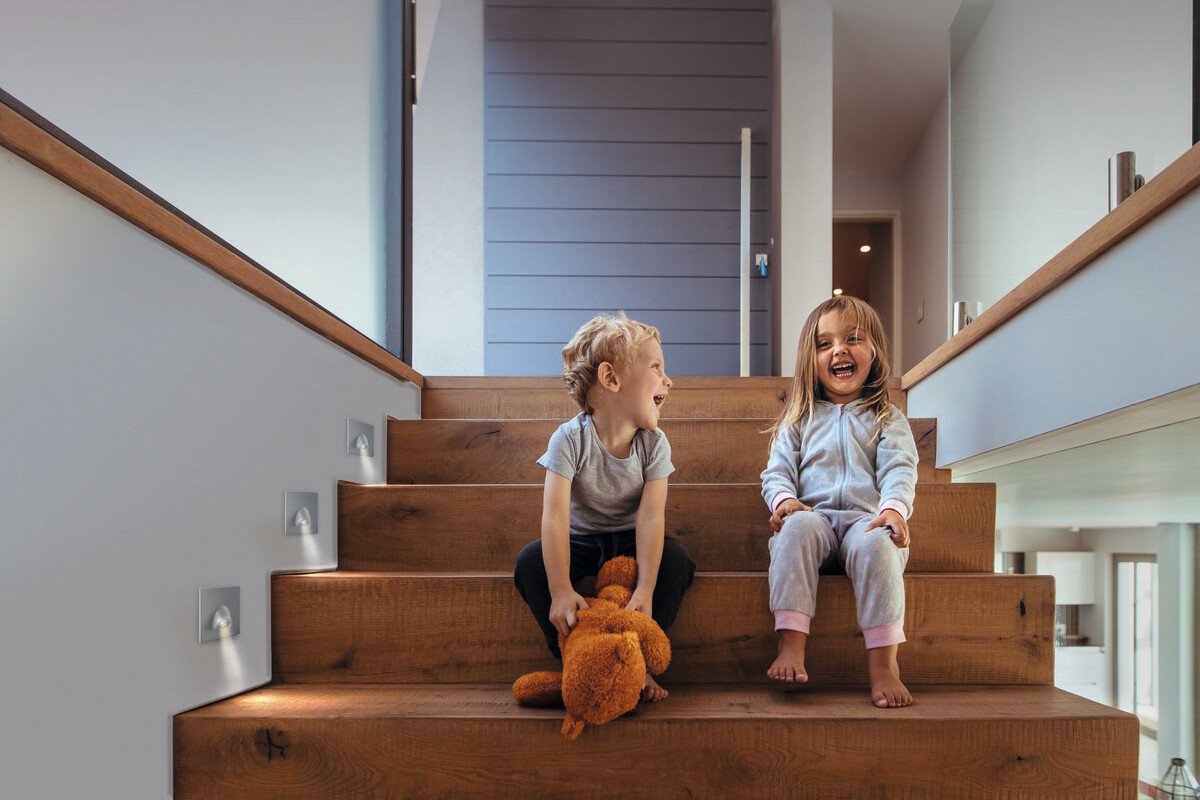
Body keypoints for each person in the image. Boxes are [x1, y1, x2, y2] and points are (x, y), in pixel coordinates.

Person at [513, 313, 696, 702]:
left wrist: (645, 588)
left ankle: (636, 666)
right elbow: (555, 516)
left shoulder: (654, 443)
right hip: (582, 540)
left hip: (631, 541)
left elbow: (650, 516)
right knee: (529, 562)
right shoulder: (569, 440)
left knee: (677, 559)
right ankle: (579, 664)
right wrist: (561, 588)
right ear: (611, 379)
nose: (669, 381)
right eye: (657, 368)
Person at [760, 296, 918, 708]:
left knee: (879, 545)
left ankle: (884, 665)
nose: (839, 350)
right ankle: (791, 644)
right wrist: (785, 501)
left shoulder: (887, 417)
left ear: (875, 352)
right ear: (810, 359)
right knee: (796, 528)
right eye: (824, 344)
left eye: (852, 339)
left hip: (865, 522)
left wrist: (893, 511)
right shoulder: (798, 419)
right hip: (813, 518)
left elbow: (900, 468)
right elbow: (776, 472)